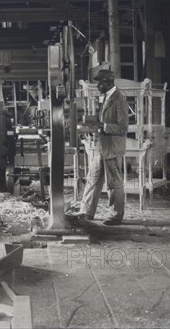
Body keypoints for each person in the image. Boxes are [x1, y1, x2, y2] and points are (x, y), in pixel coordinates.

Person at [72, 69, 129, 226]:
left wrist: (102, 126)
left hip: (112, 147)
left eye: (100, 82)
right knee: (93, 179)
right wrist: (87, 120)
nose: (98, 85)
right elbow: (101, 118)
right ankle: (86, 211)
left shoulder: (119, 98)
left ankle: (116, 215)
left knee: (114, 183)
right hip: (101, 146)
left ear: (108, 83)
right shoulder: (105, 97)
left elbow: (123, 128)